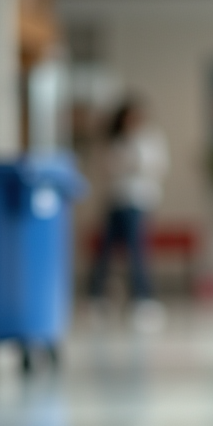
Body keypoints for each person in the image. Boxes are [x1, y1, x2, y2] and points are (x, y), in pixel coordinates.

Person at [86, 98, 169, 330]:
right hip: (115, 199)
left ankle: (143, 300)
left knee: (136, 251)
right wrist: (130, 162)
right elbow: (108, 167)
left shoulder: (150, 138)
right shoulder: (112, 140)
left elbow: (156, 166)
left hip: (139, 201)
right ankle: (97, 297)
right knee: (104, 251)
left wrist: (133, 161)